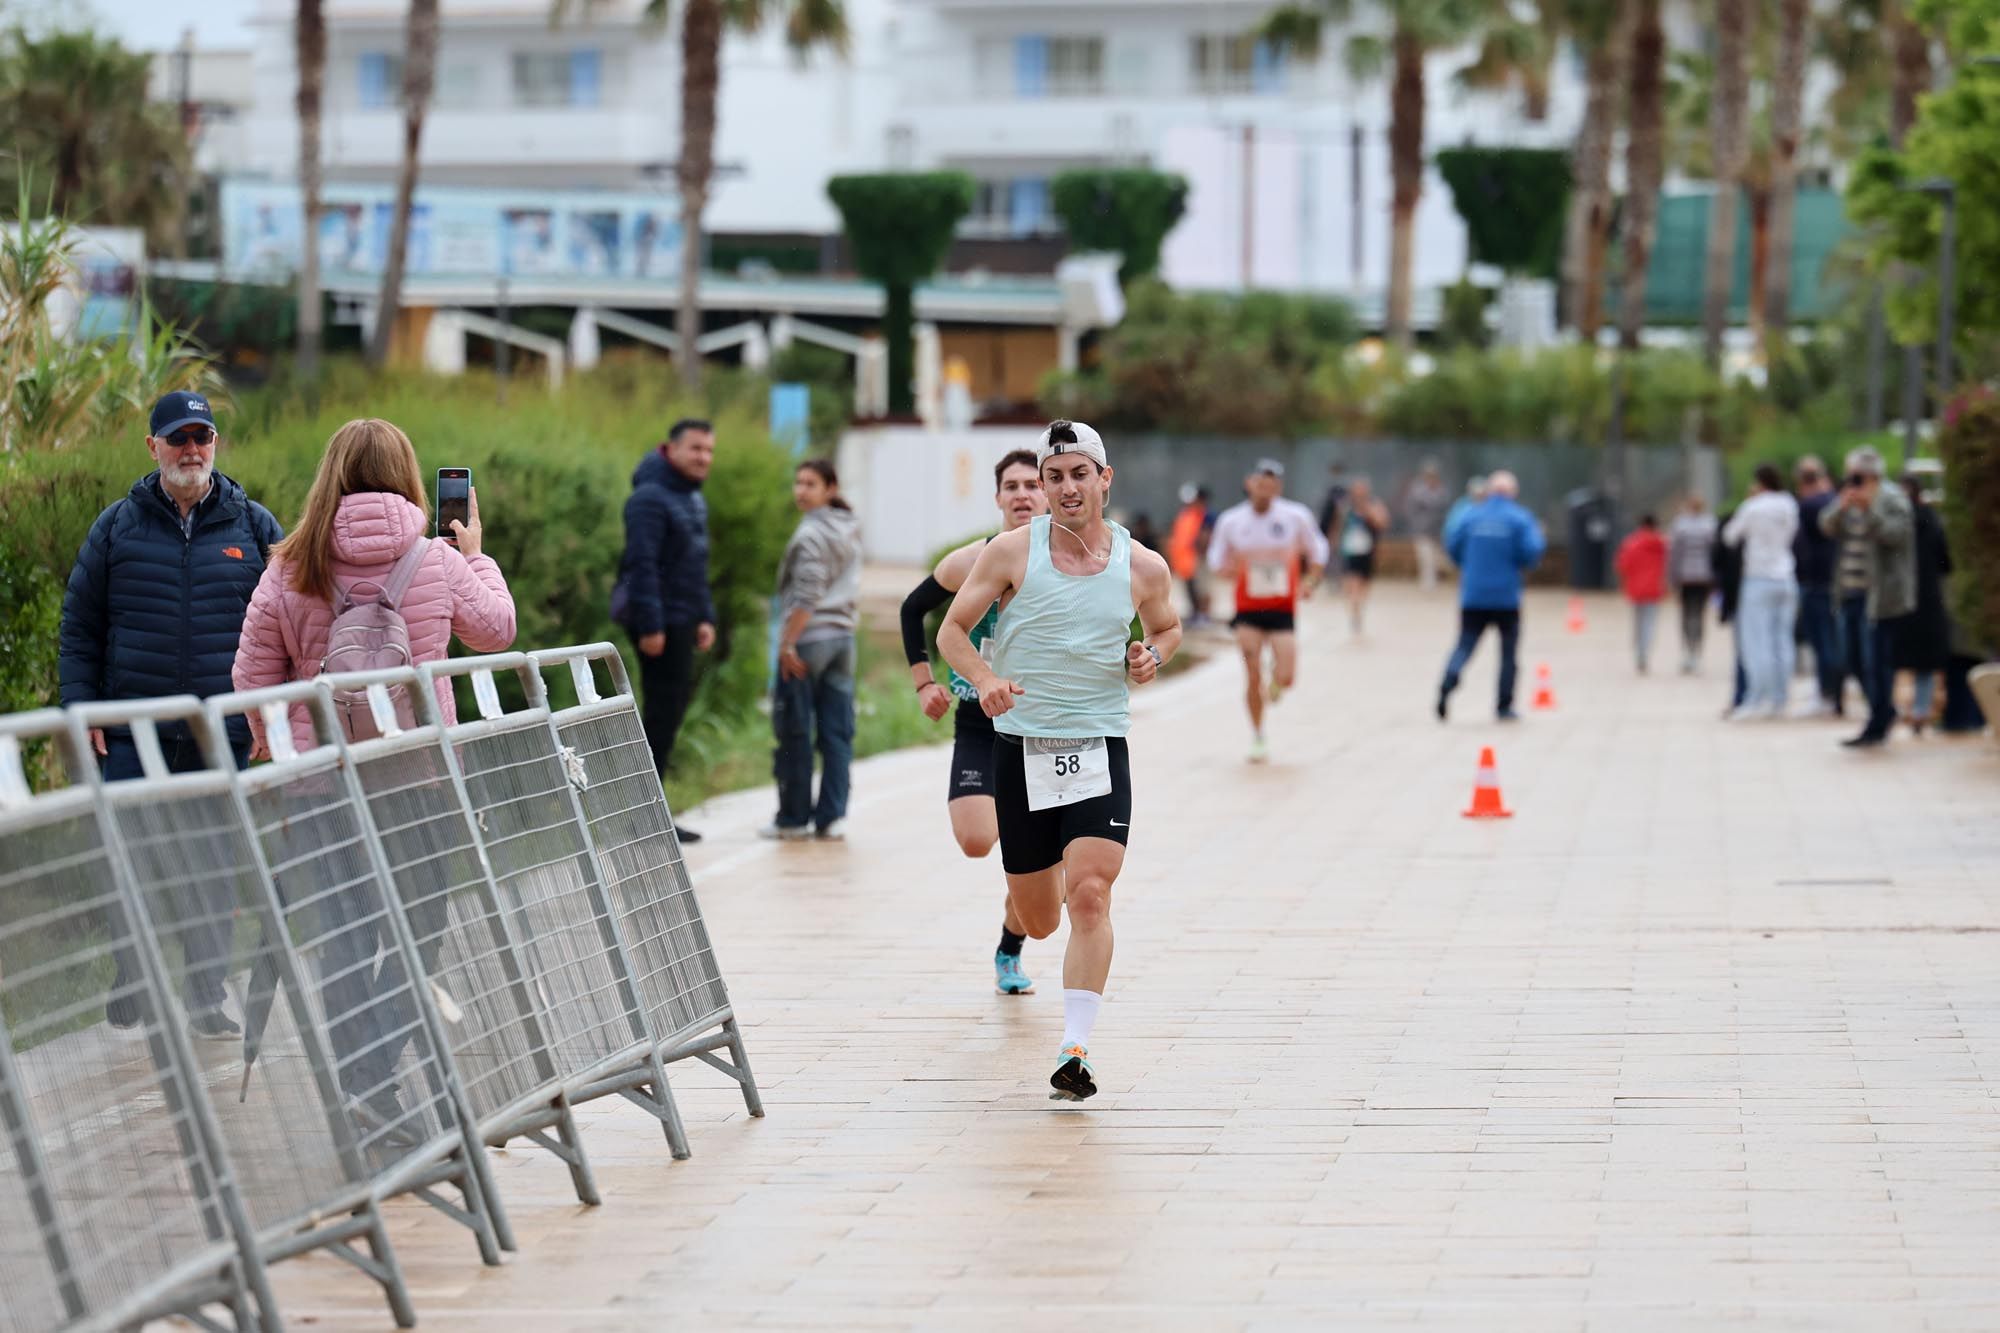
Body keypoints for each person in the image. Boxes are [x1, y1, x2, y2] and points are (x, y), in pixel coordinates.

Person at [232, 417, 517, 1114]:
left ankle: (362, 1086)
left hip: (323, 784)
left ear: (328, 475)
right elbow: (497, 630)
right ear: (406, 475)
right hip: (418, 780)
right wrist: (476, 555)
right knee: (415, 932)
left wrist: (284, 748)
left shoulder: (288, 568)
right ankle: (373, 1077)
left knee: (347, 937)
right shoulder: (436, 560)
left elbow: (251, 684)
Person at [938, 420, 1181, 1102]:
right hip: (1022, 750)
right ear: (1042, 488)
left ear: (1105, 480)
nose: (1068, 486)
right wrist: (985, 678)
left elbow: (1167, 625)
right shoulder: (1012, 554)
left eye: (1081, 473)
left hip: (1100, 746)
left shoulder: (1144, 567)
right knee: (1042, 916)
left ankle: (1075, 1046)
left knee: (1092, 894)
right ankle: (1016, 934)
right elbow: (951, 630)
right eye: (1055, 476)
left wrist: (1150, 655)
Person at [59, 390, 285, 1041]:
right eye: (178, 437)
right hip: (133, 730)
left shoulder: (255, 527)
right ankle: (132, 977)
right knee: (128, 858)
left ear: (215, 443)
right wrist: (81, 708)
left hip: (221, 733)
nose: (191, 450)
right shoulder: (115, 528)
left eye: (202, 437)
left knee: (212, 867)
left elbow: (287, 624)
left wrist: (275, 711)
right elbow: (80, 627)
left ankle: (205, 994)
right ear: (152, 445)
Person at [899, 449, 1048, 995]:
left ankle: (1009, 951)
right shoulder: (972, 561)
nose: (1023, 495)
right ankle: (1023, 840)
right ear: (998, 498)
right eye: (1011, 486)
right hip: (980, 724)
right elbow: (912, 608)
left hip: (1042, 728)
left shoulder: (1065, 560)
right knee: (977, 840)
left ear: (1050, 493)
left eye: (1033, 484)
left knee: (1039, 884)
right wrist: (924, 683)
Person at [611, 419, 719, 842]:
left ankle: (652, 815)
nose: (703, 458)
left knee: (668, 717)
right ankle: (642, 820)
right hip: (660, 625)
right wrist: (652, 625)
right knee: (658, 716)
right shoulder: (649, 499)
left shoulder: (690, 497)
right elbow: (642, 566)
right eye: (695, 449)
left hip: (683, 620)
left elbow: (695, 564)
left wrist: (705, 616)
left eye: (709, 450)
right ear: (671, 449)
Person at [764, 459, 864, 840]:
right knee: (837, 733)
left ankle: (792, 819)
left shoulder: (810, 535)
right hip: (843, 639)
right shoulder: (850, 527)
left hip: (808, 640)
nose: (800, 490)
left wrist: (787, 641)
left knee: (794, 730)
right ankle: (831, 816)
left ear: (831, 488)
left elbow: (807, 593)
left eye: (811, 483)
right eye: (798, 482)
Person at [1204, 459, 1329, 762]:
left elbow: (1318, 551)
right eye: (1260, 481)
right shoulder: (1232, 521)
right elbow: (1216, 559)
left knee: (1287, 675)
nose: (1265, 488)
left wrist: (1310, 580)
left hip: (1282, 606)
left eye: (1272, 482)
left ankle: (1278, 681)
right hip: (1247, 607)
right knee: (1251, 670)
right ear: (1249, 483)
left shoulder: (1295, 517)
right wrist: (1230, 570)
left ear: (1279, 487)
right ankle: (1258, 735)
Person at [1820, 447, 1915, 748]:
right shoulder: (1849, 497)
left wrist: (1869, 510)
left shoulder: (1892, 498)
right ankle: (1883, 710)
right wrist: (1843, 505)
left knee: (1875, 661)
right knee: (1851, 659)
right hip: (1848, 592)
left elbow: (1897, 535)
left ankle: (1877, 722)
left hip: (1879, 597)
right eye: (1852, 474)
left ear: (1875, 474)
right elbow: (1826, 525)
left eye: (1860, 475)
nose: (1855, 480)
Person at [1435, 471, 1545, 722]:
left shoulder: (1471, 515)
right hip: (1506, 596)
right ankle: (1504, 706)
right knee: (1508, 653)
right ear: (1512, 493)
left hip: (1473, 594)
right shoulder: (1519, 518)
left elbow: (1452, 545)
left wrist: (1469, 566)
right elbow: (1533, 551)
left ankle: (1449, 678)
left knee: (1465, 644)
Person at [1721, 465, 1801, 720]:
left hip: (1758, 577)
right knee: (1783, 640)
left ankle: (1757, 697)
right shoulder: (1789, 504)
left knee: (1757, 642)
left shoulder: (1753, 506)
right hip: (1786, 576)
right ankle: (1780, 698)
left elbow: (1730, 536)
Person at [1899, 472, 1953, 736]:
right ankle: (1920, 708)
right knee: (1924, 664)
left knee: (1894, 657)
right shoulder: (1932, 520)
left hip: (1899, 598)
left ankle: (1901, 709)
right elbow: (1946, 562)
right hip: (1929, 597)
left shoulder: (1897, 523)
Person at [1791, 457, 1843, 717]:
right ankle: (1832, 693)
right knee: (1830, 640)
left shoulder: (1809, 506)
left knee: (1822, 642)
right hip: (1831, 579)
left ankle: (1827, 693)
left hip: (1816, 581)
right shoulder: (1834, 501)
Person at [1667, 495, 1718, 674]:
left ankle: (1687, 652)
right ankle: (1697, 652)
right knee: (1699, 615)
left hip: (1685, 576)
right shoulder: (1710, 525)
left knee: (1686, 615)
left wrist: (1672, 578)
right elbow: (1714, 553)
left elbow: (1674, 555)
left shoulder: (1680, 526)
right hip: (1704, 577)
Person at [1336, 477, 1390, 636]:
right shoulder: (1346, 507)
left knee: (1364, 587)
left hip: (1368, 553)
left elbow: (1382, 523)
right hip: (1350, 552)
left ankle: (1359, 609)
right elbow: (1339, 527)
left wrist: (1367, 512)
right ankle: (1354, 614)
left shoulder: (1374, 504)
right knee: (1352, 585)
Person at [1615, 515, 1668, 674]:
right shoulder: (1662, 544)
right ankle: (1645, 652)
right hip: (1654, 588)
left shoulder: (1631, 542)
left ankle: (1639, 652)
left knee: (1638, 622)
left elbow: (1622, 565)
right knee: (1649, 623)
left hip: (1635, 588)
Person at [1166, 485, 1213, 628]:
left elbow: (1205, 536)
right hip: (1185, 559)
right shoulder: (1186, 514)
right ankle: (1195, 614)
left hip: (1198, 558)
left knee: (1202, 588)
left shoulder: (1205, 515)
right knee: (1191, 588)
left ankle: (1203, 615)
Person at [1403, 461, 1450, 591]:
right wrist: (1416, 523)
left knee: (1439, 559)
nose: (1431, 477)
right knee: (1425, 558)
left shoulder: (1442, 490)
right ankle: (1428, 584)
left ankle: (1435, 580)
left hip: (1438, 531)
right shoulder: (1417, 490)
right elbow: (1410, 509)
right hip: (1422, 529)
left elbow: (1444, 509)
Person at [1444, 475, 1488, 551]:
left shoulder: (1490, 507)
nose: (1479, 496)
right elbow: (1451, 528)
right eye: (1476, 493)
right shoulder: (1461, 506)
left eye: (1482, 494)